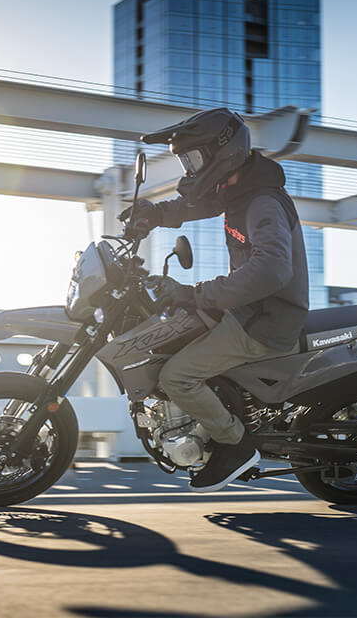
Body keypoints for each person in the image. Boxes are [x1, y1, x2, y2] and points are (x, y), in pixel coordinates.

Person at [121, 107, 309, 492]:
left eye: (193, 158)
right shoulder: (239, 188)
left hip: (264, 321)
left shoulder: (263, 203)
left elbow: (273, 269)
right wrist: (153, 214)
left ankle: (235, 444)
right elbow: (198, 205)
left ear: (222, 152)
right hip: (248, 311)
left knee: (178, 375)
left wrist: (195, 294)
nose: (190, 169)